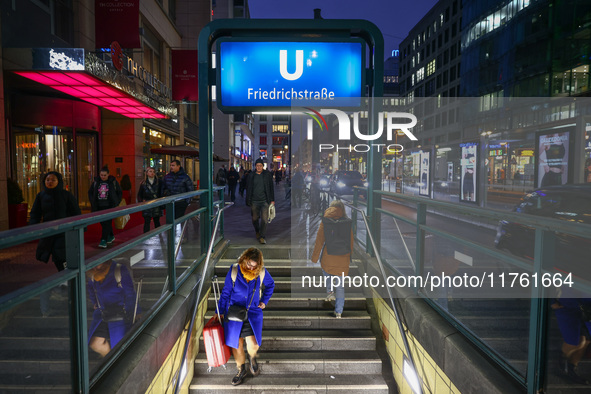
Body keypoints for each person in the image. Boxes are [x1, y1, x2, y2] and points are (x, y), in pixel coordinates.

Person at [214, 247, 275, 386]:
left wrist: (264, 301)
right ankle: (241, 370)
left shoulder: (261, 272)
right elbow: (226, 291)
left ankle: (252, 357)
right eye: (249, 264)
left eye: (254, 266)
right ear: (244, 259)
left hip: (253, 312)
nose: (251, 268)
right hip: (234, 313)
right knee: (237, 344)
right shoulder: (235, 270)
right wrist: (220, 311)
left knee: (253, 344)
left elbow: (271, 285)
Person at [29, 171, 81, 316]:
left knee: (60, 256)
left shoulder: (66, 195)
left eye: (53, 179)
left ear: (59, 181)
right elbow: (35, 213)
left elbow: (75, 212)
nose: (50, 182)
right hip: (48, 233)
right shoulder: (41, 196)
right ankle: (65, 281)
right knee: (52, 255)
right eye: (47, 180)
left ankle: (66, 282)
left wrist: (79, 228)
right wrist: (32, 227)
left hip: (64, 233)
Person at [311, 200, 354, 318]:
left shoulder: (325, 221)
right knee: (340, 286)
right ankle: (339, 312)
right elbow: (351, 241)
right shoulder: (346, 222)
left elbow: (320, 240)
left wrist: (314, 257)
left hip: (328, 255)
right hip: (343, 257)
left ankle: (329, 291)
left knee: (327, 270)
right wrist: (349, 256)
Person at [87, 261, 137, 357]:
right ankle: (110, 360)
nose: (96, 267)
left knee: (119, 345)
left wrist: (136, 312)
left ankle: (112, 361)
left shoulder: (118, 270)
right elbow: (91, 289)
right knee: (95, 344)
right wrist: (95, 302)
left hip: (120, 313)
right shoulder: (92, 274)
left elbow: (130, 293)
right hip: (102, 313)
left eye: (99, 263)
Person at [552, 289, 591, 385]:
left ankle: (571, 369)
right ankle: (559, 361)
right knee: (574, 343)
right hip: (568, 306)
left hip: (587, 309)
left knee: (586, 341)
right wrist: (551, 301)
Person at [88, 166, 122, 249]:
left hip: (109, 206)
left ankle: (103, 240)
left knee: (106, 223)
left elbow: (119, 192)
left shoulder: (112, 182)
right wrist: (92, 202)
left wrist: (116, 202)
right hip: (98, 206)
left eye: (104, 175)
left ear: (108, 174)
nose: (102, 177)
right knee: (104, 223)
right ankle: (110, 235)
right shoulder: (96, 182)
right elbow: (90, 192)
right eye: (101, 175)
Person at [246, 159, 275, 244]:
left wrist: (272, 200)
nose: (259, 167)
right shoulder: (251, 175)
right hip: (254, 201)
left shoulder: (267, 175)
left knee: (265, 220)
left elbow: (271, 187)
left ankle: (262, 236)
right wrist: (248, 199)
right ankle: (257, 231)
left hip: (265, 201)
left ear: (263, 166)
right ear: (255, 166)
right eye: (257, 166)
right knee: (255, 219)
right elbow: (248, 188)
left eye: (260, 166)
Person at [137, 167, 162, 233]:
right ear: (147, 173)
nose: (152, 173)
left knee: (157, 221)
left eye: (153, 171)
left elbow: (161, 192)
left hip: (156, 203)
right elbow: (140, 194)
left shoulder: (159, 182)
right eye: (150, 171)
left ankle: (159, 235)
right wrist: (141, 203)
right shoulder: (143, 183)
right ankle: (146, 237)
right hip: (147, 204)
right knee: (147, 222)